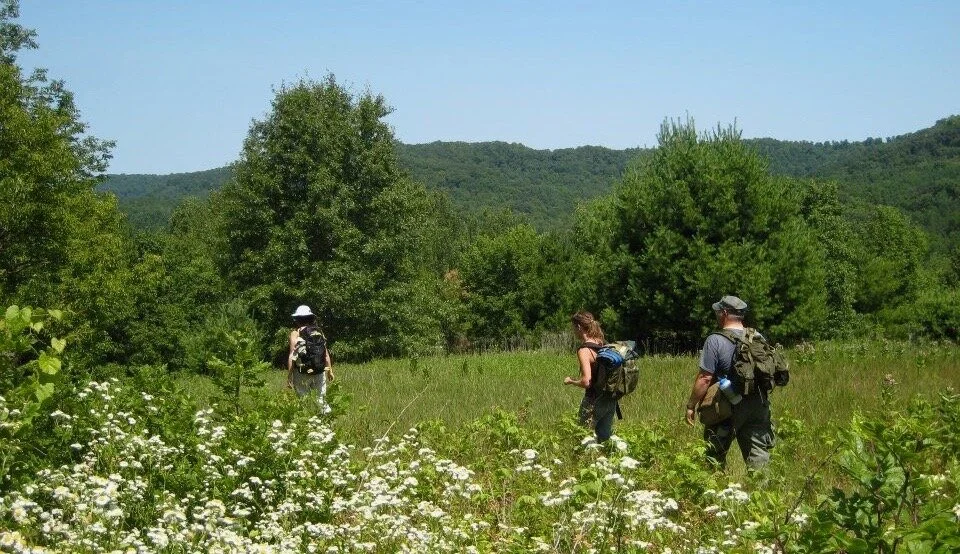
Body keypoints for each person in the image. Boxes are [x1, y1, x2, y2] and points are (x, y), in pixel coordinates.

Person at [684, 295, 775, 470]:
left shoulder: (715, 340)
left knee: (714, 456)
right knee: (758, 456)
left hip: (727, 405)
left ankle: (716, 491)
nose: (716, 315)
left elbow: (705, 378)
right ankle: (763, 492)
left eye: (717, 312)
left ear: (724, 313)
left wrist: (691, 405)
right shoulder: (757, 337)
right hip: (758, 404)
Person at [564, 311, 619, 443]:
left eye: (573, 328)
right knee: (604, 439)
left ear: (578, 327)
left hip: (593, 400)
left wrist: (571, 381)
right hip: (610, 400)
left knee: (582, 438)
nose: (573, 331)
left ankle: (582, 462)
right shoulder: (602, 344)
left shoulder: (584, 350)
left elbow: (586, 381)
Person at [287, 304, 334, 413]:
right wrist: (330, 371)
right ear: (311, 318)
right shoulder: (318, 331)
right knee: (321, 400)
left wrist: (289, 376)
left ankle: (306, 423)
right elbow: (325, 354)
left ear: (297, 319)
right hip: (319, 371)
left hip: (301, 372)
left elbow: (292, 355)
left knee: (303, 401)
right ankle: (327, 421)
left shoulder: (295, 333)